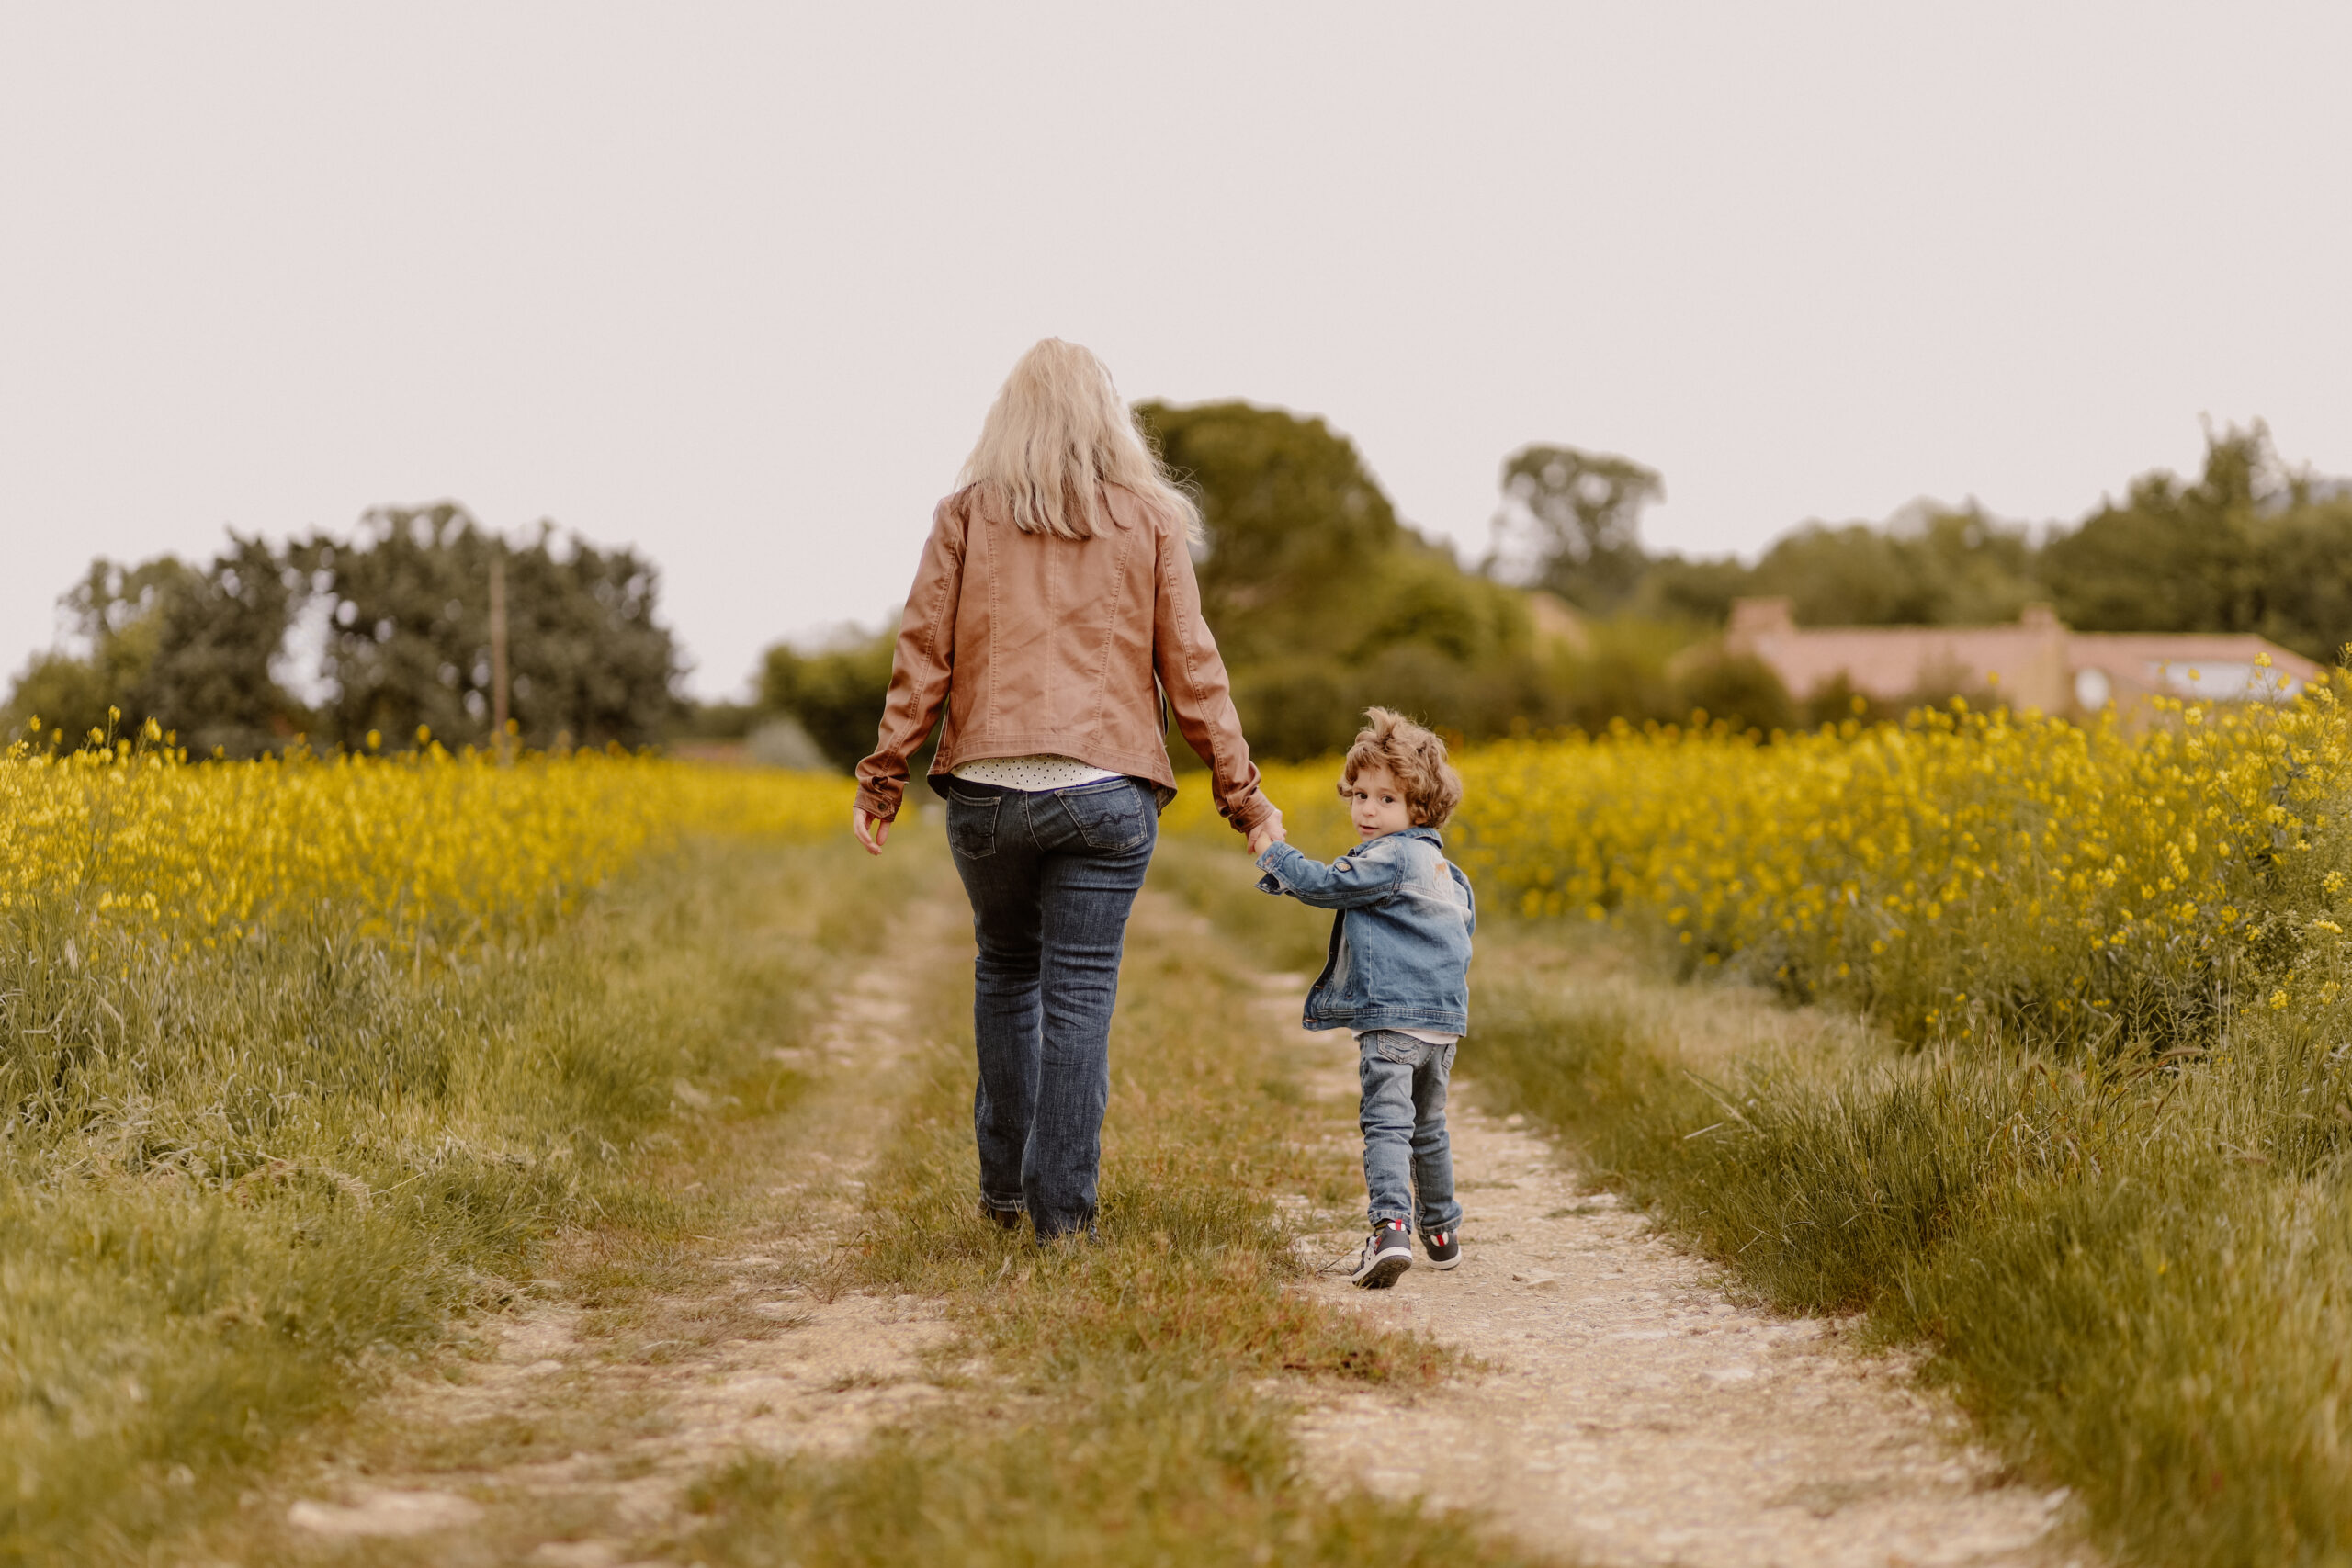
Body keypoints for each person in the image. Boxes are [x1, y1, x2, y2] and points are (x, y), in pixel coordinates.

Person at [851, 338, 1282, 1241]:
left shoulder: (963, 514)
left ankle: (1004, 1196)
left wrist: (883, 777)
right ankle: (1063, 1224)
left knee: (1006, 974)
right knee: (1079, 998)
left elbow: (922, 655)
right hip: (1103, 793)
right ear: (1107, 421)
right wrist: (1244, 798)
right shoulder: (1150, 520)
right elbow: (1193, 671)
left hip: (986, 792)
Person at [1252, 708, 1474, 1288]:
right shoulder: (1448, 870)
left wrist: (1275, 853)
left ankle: (1390, 1230)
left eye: (1387, 800)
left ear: (1418, 809)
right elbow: (1461, 936)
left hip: (1395, 1021)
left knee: (1387, 1125)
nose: (1368, 811)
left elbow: (1327, 886)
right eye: (1360, 795)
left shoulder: (1391, 857)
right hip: (1444, 1024)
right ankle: (1442, 1233)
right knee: (1428, 1126)